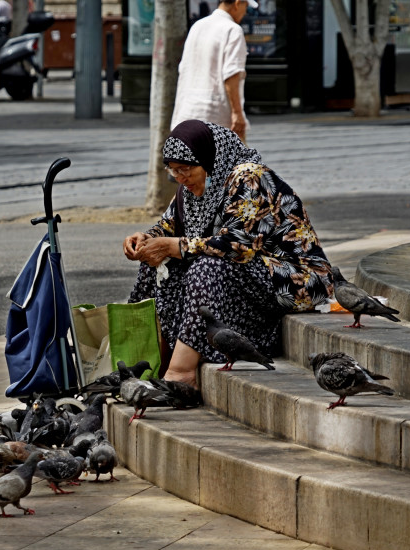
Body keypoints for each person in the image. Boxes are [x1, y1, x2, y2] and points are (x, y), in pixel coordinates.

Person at [123, 120, 333, 388]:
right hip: (248, 278)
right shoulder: (188, 190)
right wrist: (145, 241)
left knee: (205, 267)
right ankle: (150, 364)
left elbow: (237, 246)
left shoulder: (248, 177)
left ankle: (181, 374)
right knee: (156, 261)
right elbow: (166, 229)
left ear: (209, 160)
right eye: (173, 171)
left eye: (185, 169)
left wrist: (173, 245)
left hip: (297, 279)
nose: (180, 177)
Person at [171, 0, 258, 144]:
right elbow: (232, 74)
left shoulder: (197, 26)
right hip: (217, 118)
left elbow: (184, 69)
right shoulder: (232, 30)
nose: (245, 12)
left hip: (188, 114)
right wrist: (237, 113)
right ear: (237, 3)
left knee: (196, 165)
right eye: (246, 7)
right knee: (236, 165)